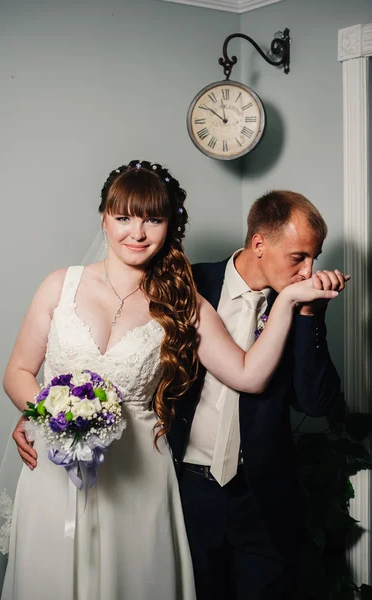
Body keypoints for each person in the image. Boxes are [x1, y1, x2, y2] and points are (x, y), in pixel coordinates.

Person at [3, 163, 341, 600]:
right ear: (104, 217)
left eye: (153, 220)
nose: (137, 232)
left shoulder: (181, 300)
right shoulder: (58, 286)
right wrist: (50, 415)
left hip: (140, 474)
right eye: (123, 217)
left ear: (169, 225)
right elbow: (18, 373)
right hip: (55, 469)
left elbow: (248, 374)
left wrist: (291, 300)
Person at [167, 190, 346, 600]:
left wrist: (309, 316)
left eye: (314, 258)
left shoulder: (300, 301)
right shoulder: (191, 285)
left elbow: (316, 403)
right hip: (187, 490)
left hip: (263, 498)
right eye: (298, 257)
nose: (309, 271)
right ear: (260, 243)